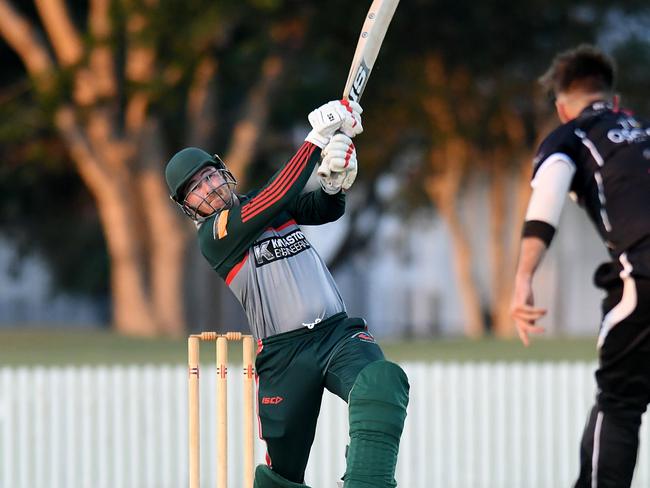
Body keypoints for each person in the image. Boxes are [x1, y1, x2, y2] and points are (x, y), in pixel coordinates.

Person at [165, 99, 409, 488]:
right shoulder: (215, 236)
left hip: (336, 335)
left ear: (223, 172)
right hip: (284, 355)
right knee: (282, 476)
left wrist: (333, 180)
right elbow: (277, 194)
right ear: (187, 207)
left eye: (209, 176)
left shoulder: (267, 207)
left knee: (380, 383)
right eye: (195, 189)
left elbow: (323, 209)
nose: (208, 189)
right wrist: (314, 141)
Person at [510, 44, 650, 488]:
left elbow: (547, 198)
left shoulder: (570, 136)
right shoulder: (643, 128)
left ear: (562, 107)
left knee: (620, 400)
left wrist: (523, 278)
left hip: (644, 274)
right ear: (611, 98)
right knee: (617, 394)